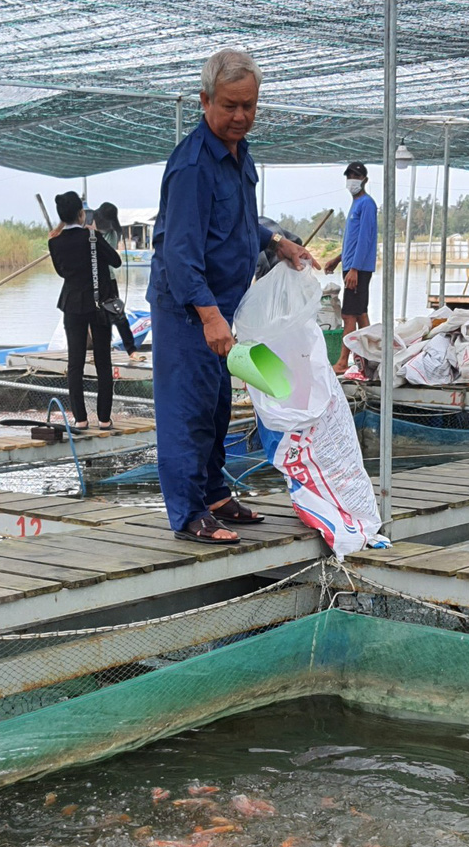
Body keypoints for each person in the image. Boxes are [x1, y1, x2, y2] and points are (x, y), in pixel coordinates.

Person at [148, 49, 313, 544]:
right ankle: (188, 512)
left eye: (249, 106)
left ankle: (216, 493)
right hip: (189, 310)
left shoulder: (241, 157)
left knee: (219, 403)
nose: (240, 116)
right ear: (205, 101)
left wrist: (275, 241)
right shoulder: (193, 166)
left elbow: (240, 221)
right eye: (229, 106)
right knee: (188, 409)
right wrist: (207, 315)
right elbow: (180, 253)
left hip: (228, 306)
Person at [48, 191, 125, 431]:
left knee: (75, 363)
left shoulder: (54, 241)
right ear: (81, 214)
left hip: (71, 304)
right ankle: (104, 419)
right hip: (97, 303)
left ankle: (80, 419)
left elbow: (62, 272)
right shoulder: (92, 237)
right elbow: (116, 261)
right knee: (103, 360)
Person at [322, 161, 376, 371]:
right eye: (349, 176)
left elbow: (365, 239)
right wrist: (338, 259)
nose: (352, 180)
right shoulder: (355, 205)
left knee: (349, 315)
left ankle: (344, 361)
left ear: (365, 180)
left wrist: (354, 268)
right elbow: (352, 241)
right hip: (352, 265)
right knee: (360, 313)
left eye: (356, 176)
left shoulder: (367, 204)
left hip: (358, 269)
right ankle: (371, 357)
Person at [92, 202, 139, 356]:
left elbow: (107, 257)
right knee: (93, 317)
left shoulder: (111, 234)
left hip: (107, 280)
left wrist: (95, 236)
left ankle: (131, 349)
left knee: (118, 314)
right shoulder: (87, 228)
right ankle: (95, 349)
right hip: (89, 281)